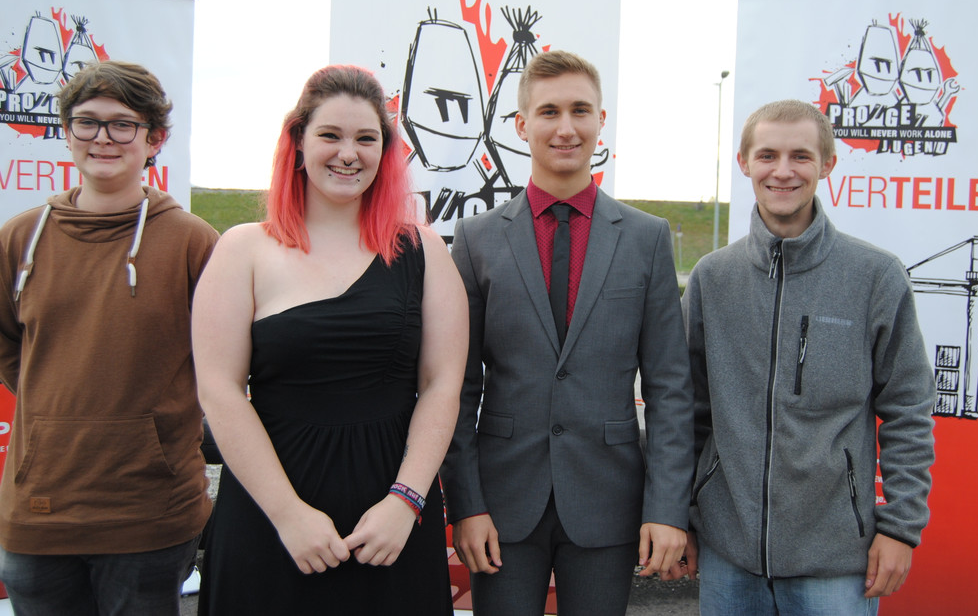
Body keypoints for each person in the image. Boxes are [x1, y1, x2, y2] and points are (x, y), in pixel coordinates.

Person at [193, 65, 468, 615]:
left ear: (385, 151)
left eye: (366, 138)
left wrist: (406, 502)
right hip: (270, 524)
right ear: (298, 141)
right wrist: (287, 514)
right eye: (330, 135)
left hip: (390, 528)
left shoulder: (423, 251)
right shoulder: (243, 249)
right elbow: (220, 391)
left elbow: (442, 385)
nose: (349, 153)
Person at [442, 50, 693, 616]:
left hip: (609, 503)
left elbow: (670, 389)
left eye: (580, 110)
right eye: (549, 111)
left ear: (601, 121)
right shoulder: (477, 239)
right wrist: (466, 504)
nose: (566, 127)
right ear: (521, 125)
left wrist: (667, 508)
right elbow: (457, 387)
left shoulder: (646, 238)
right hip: (501, 506)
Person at [680, 100, 936, 615]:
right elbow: (688, 411)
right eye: (767, 155)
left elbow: (908, 410)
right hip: (729, 555)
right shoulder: (713, 278)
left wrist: (901, 527)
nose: (783, 171)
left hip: (836, 562)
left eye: (800, 156)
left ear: (827, 164)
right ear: (744, 163)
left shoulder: (875, 276)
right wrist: (681, 513)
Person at [0, 60, 218, 614]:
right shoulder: (20, 238)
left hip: (149, 513)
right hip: (38, 509)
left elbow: (222, 359)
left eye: (123, 124)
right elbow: (7, 344)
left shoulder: (193, 242)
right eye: (87, 121)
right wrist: (58, 407)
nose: (103, 138)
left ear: (154, 140)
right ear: (67, 131)